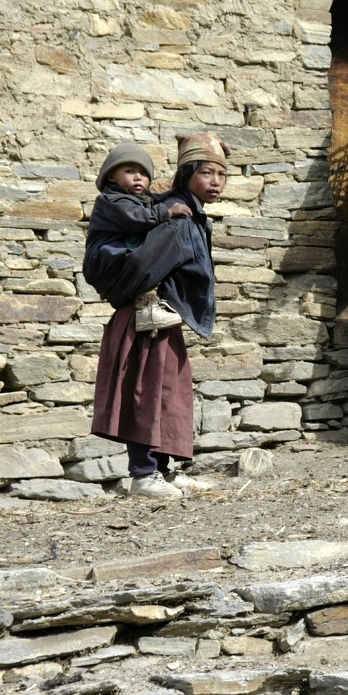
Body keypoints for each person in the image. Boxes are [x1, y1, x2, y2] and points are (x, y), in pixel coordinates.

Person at [89, 132, 230, 499]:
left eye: (221, 174)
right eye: (206, 173)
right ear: (187, 176)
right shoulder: (175, 218)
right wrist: (141, 297)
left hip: (163, 319)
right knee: (145, 393)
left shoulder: (187, 214)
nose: (215, 182)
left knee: (168, 393)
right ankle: (142, 475)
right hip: (143, 318)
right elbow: (143, 266)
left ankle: (164, 472)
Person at [84, 141, 194, 335]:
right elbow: (134, 218)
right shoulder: (110, 200)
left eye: (143, 173)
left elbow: (160, 201)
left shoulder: (143, 199)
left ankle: (149, 303)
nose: (138, 177)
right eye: (129, 170)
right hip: (107, 259)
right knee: (169, 232)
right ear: (111, 175)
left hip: (123, 255)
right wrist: (167, 212)